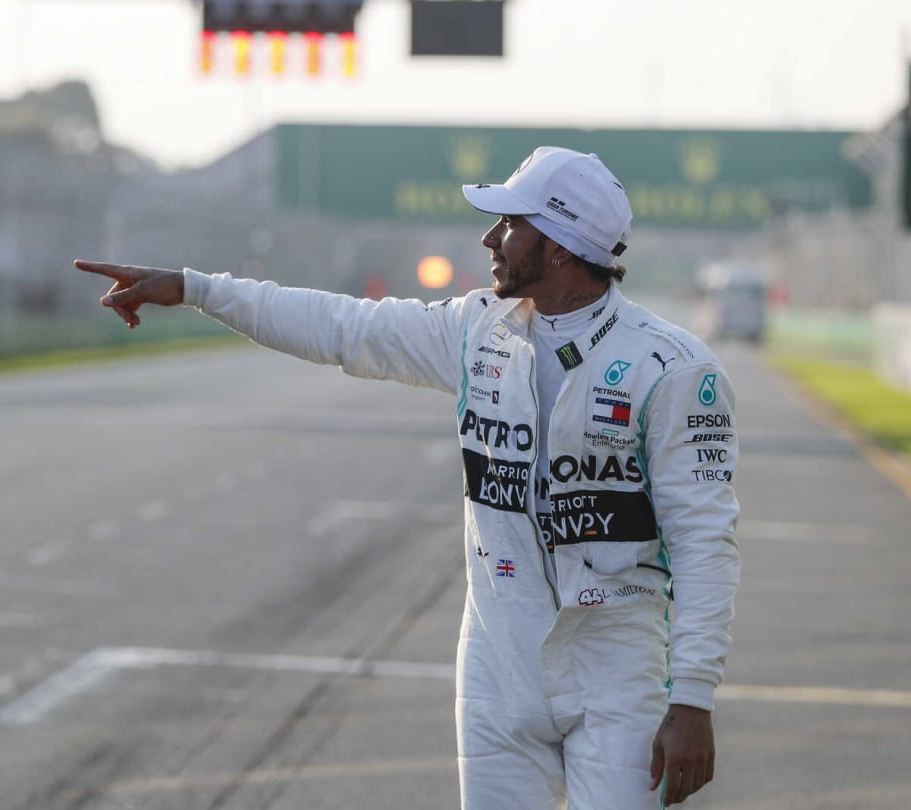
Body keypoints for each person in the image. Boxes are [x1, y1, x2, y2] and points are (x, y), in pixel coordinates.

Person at [75, 146, 740, 809]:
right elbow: (342, 327)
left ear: (560, 247)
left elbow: (705, 542)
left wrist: (693, 697)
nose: (490, 236)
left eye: (510, 223)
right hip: (496, 667)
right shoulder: (478, 330)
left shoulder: (674, 370)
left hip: (616, 674)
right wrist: (197, 289)